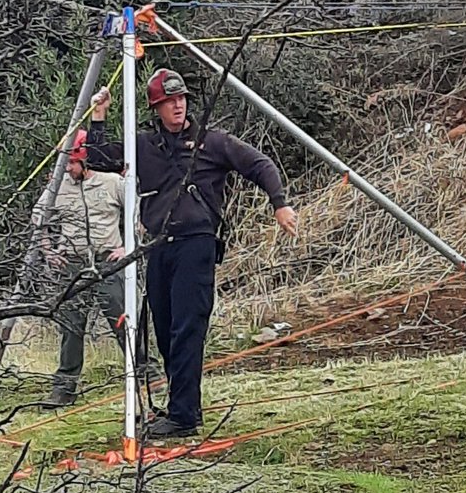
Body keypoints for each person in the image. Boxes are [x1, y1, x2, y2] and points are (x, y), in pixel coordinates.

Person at [88, 68, 297, 440]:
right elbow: (99, 157)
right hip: (158, 247)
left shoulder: (212, 142)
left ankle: (184, 416)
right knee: (166, 332)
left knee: (187, 330)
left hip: (196, 244)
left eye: (182, 99)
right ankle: (180, 409)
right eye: (170, 101)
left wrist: (278, 204)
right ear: (157, 108)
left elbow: (260, 165)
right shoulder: (144, 146)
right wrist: (99, 116)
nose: (178, 106)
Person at [33, 128, 149, 409]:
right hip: (72, 265)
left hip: (107, 261)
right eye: (65, 163)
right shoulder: (57, 188)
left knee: (123, 319)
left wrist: (129, 246)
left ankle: (146, 372)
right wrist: (49, 251)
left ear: (85, 159)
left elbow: (140, 211)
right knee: (71, 326)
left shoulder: (112, 183)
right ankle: (64, 388)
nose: (68, 169)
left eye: (72, 162)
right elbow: (38, 220)